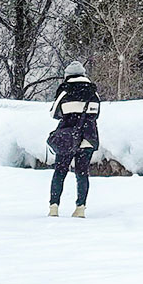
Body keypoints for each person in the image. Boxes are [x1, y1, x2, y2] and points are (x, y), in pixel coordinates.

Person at [47, 62, 103, 217]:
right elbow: (96, 114)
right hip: (88, 137)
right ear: (83, 75)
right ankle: (80, 208)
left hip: (68, 136)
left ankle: (54, 207)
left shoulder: (65, 91)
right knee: (82, 172)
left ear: (67, 75)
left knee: (60, 171)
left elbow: (54, 114)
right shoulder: (93, 92)